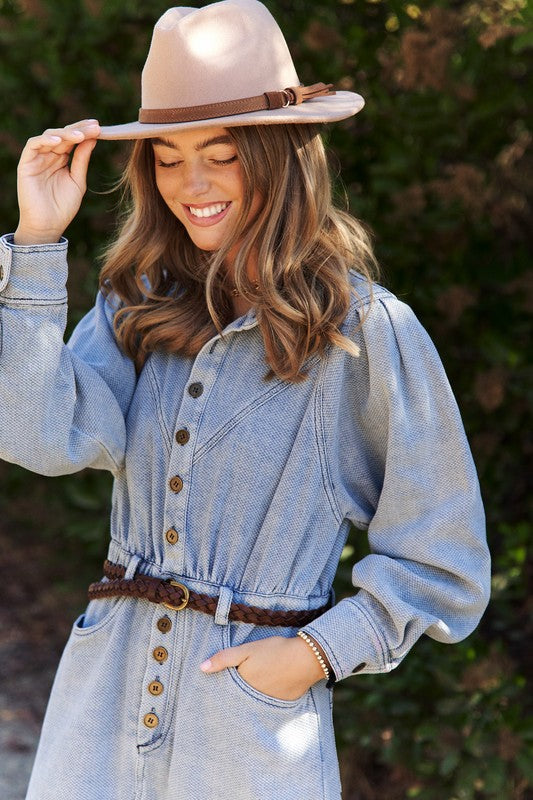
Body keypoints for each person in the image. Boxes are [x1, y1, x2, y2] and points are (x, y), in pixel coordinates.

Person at [0, 1, 491, 798]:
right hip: (98, 705)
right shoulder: (136, 303)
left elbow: (444, 561)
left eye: (223, 154)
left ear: (282, 156)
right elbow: (37, 436)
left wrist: (311, 655)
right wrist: (35, 245)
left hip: (249, 736)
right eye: (165, 157)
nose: (191, 184)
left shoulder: (364, 334)